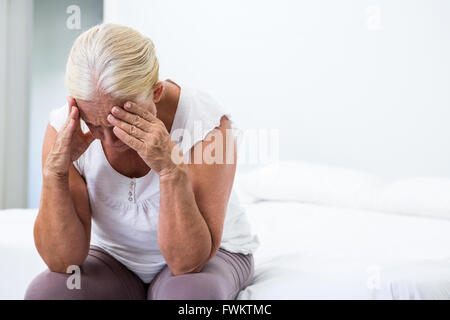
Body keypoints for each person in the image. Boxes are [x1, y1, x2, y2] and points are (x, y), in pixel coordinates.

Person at [25, 23, 259, 300]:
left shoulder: (207, 126)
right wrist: (56, 174)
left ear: (156, 92)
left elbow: (187, 263)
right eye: (96, 126)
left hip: (209, 258)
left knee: (188, 294)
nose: (111, 141)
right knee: (47, 293)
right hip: (114, 258)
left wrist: (171, 170)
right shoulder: (66, 128)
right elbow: (63, 262)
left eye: (124, 121)